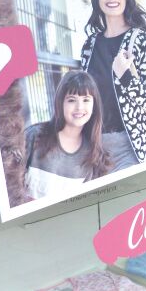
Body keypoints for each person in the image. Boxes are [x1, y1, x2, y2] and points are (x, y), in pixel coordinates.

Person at [80, 0, 146, 171]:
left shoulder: (139, 40)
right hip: (96, 153)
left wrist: (126, 76)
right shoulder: (89, 46)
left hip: (131, 149)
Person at [24, 71, 110, 199]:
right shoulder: (34, 136)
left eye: (86, 100)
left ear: (94, 106)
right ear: (60, 103)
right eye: (71, 100)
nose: (79, 107)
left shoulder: (95, 156)